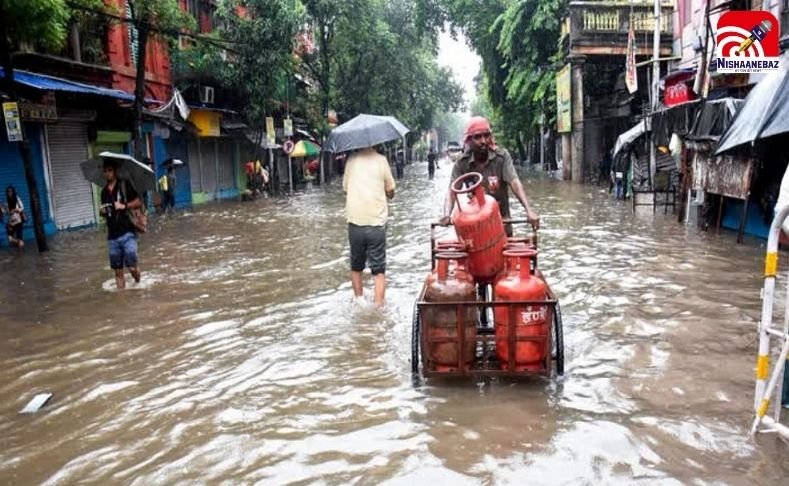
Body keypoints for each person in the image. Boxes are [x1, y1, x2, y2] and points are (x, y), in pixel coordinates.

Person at [439, 117, 539, 235]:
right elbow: (452, 190)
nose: (483, 141)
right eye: (477, 137)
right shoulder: (462, 163)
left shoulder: (501, 157)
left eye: (486, 136)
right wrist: (447, 214)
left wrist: (528, 210)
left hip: (502, 224)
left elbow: (514, 182)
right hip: (476, 227)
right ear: (469, 140)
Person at [343, 146, 396, 307]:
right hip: (376, 223)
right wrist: (388, 193)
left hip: (355, 221)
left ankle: (359, 300)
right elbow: (391, 189)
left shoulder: (351, 160)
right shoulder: (381, 160)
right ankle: (378, 307)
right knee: (378, 270)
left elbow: (345, 189)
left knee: (356, 265)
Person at [100, 159, 143, 289]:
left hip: (128, 233)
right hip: (112, 236)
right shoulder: (103, 192)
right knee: (118, 272)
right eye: (105, 171)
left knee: (132, 267)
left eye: (109, 170)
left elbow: (138, 202)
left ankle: (138, 283)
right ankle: (122, 297)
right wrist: (103, 212)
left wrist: (123, 205)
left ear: (115, 171)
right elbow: (107, 211)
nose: (107, 173)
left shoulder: (124, 185)